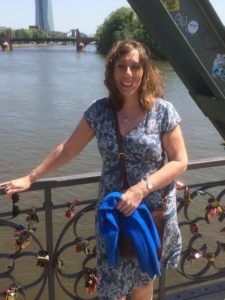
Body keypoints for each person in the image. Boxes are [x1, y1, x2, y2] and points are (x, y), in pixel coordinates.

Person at [1, 40, 188, 300]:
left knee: (143, 281)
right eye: (121, 66)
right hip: (113, 212)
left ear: (145, 71)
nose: (128, 74)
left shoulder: (163, 111)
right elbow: (68, 148)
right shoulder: (99, 111)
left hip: (150, 211)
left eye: (135, 66)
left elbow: (180, 161)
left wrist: (142, 188)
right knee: (112, 283)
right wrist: (31, 177)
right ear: (111, 70)